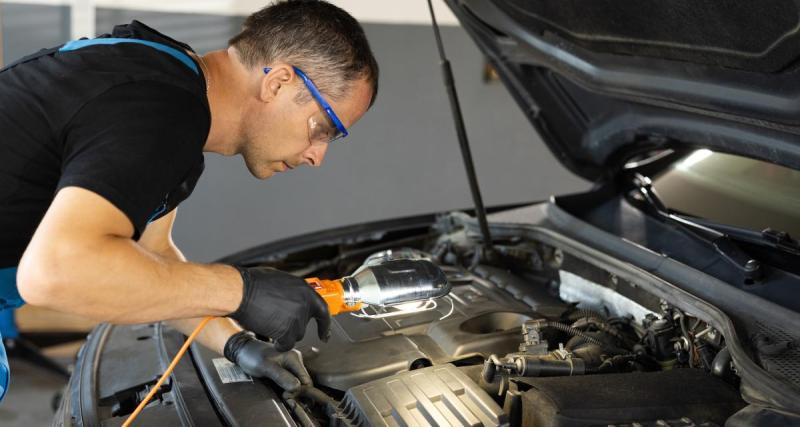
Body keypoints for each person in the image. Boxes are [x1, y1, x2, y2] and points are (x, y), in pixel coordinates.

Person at [0, 0, 379, 400]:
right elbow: (56, 271)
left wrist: (236, 343)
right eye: (325, 128)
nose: (317, 156)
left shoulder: (168, 75)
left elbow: (153, 252)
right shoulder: (160, 109)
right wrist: (242, 290)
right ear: (279, 82)